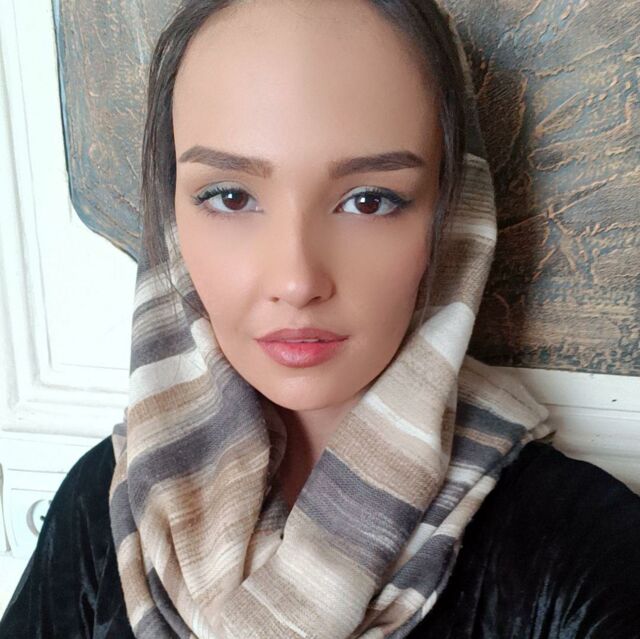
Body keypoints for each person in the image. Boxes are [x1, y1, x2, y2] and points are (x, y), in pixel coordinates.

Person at [1, 0, 639, 637]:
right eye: (230, 197)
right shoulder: (107, 507)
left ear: (451, 215)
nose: (297, 281)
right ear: (172, 217)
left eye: (369, 201)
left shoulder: (581, 553)